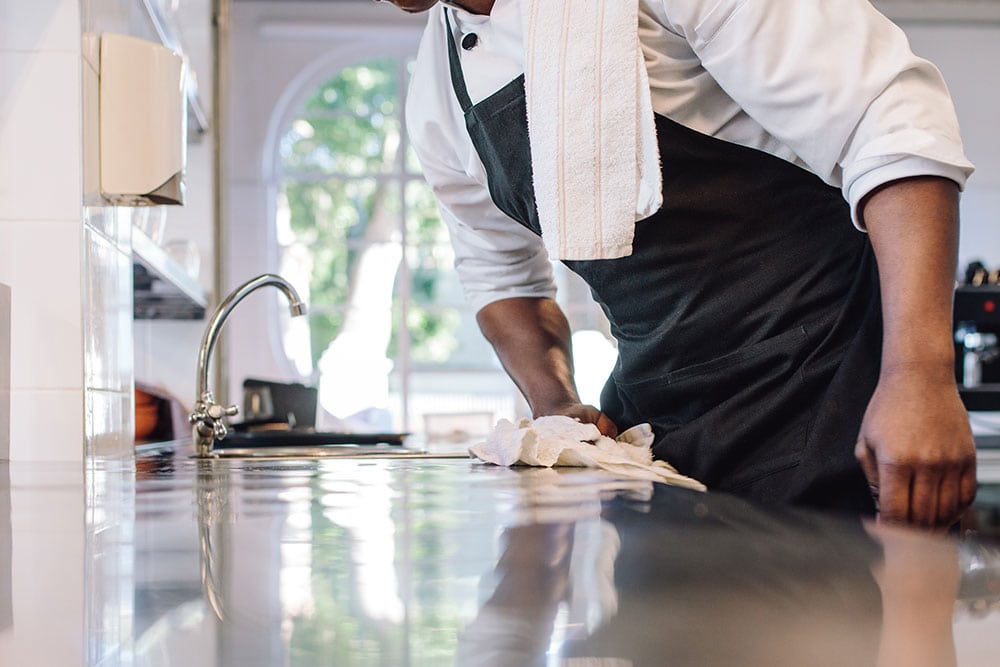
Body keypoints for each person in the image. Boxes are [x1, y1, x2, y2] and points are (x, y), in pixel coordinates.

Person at [377, 0, 978, 527]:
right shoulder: (436, 98)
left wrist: (919, 375)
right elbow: (501, 278)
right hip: (659, 431)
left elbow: (892, 124)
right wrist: (555, 403)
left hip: (829, 388)